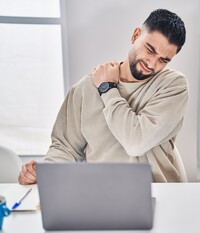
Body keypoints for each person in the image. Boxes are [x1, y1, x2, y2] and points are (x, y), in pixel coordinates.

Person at [18, 8, 188, 184]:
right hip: (102, 194)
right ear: (135, 35)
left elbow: (135, 142)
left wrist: (107, 89)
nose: (152, 63)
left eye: (163, 60)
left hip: (161, 193)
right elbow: (65, 148)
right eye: (150, 50)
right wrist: (44, 173)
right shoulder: (85, 88)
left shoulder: (173, 86)